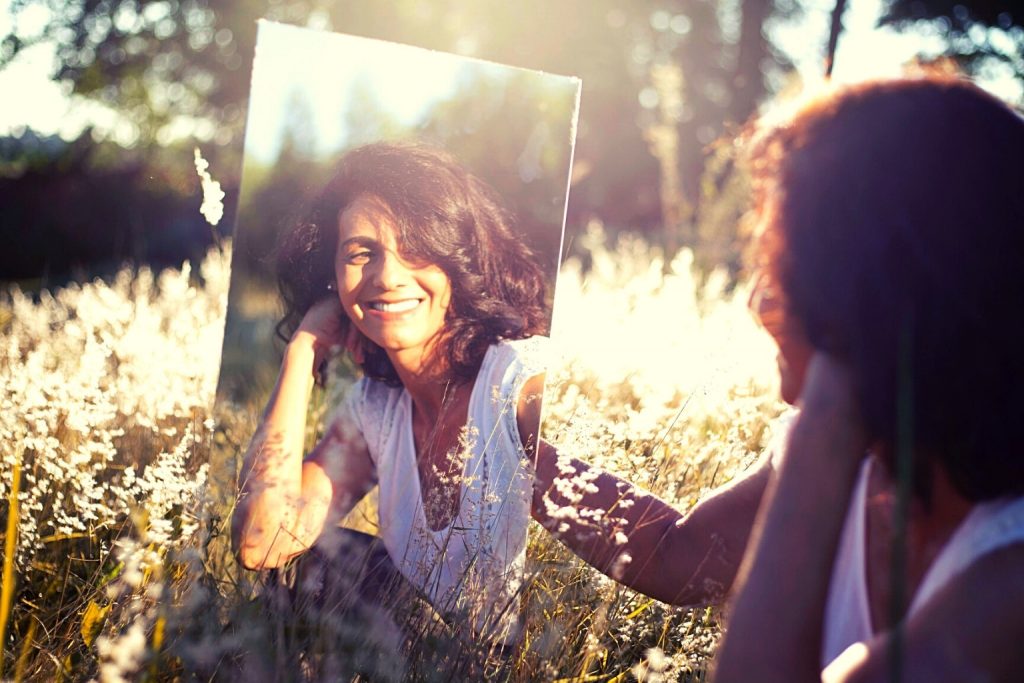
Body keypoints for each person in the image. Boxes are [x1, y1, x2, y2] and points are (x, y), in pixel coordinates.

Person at [229, 142, 702, 649]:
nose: (387, 276)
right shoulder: (377, 408)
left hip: (531, 663)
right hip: (426, 660)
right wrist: (303, 350)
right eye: (361, 253)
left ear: (457, 259)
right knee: (307, 568)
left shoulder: (518, 383)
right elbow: (263, 542)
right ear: (332, 279)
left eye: (416, 246)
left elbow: (670, 560)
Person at [700, 74, 1024, 682]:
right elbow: (674, 554)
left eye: (785, 267)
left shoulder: (1009, 590)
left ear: (869, 293)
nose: (758, 304)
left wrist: (828, 415)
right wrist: (527, 449)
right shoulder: (878, 466)